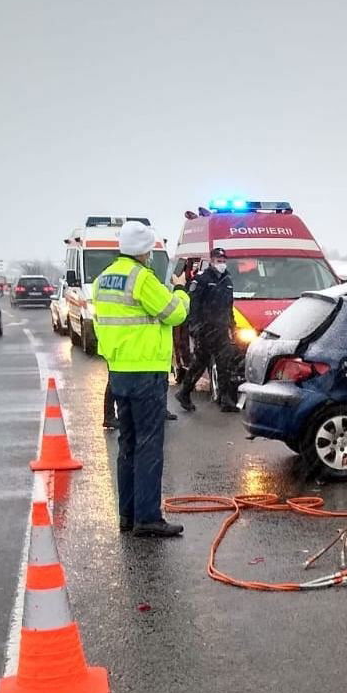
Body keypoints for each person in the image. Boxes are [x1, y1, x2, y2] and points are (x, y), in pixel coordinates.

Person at [93, 222, 190, 537]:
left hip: (119, 370)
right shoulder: (142, 279)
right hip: (146, 371)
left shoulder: (104, 279)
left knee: (129, 443)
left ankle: (128, 514)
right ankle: (147, 517)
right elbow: (175, 313)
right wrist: (181, 290)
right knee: (149, 445)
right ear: (145, 250)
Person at [175, 248, 237, 413]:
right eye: (218, 260)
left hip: (222, 328)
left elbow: (229, 306)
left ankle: (226, 400)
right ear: (211, 260)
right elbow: (193, 305)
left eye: (224, 260)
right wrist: (194, 327)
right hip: (205, 328)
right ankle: (184, 392)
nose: (221, 263)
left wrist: (233, 325)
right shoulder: (202, 279)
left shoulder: (227, 279)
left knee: (225, 363)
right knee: (200, 363)